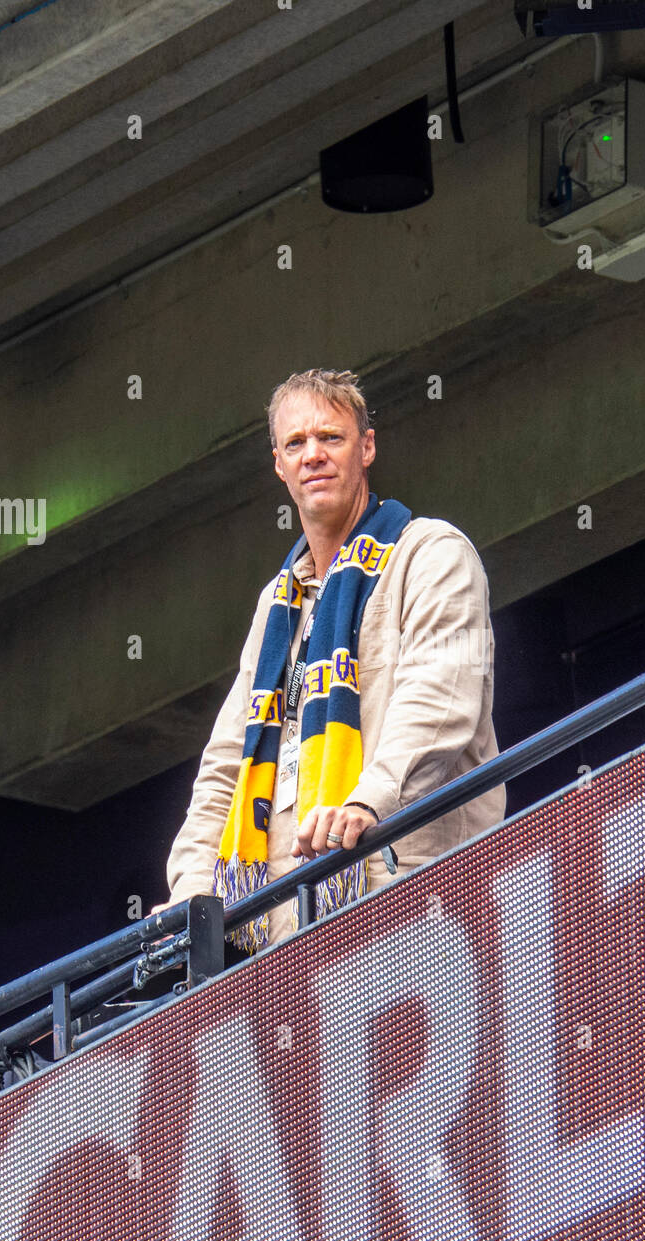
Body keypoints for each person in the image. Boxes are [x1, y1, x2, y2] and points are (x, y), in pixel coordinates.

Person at [157, 368, 504, 951]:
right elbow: (224, 766)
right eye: (296, 444)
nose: (313, 455)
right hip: (282, 930)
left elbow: (442, 696)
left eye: (331, 438)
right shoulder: (278, 606)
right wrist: (195, 896)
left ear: (366, 447)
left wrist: (369, 800)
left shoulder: (431, 553)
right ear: (278, 464)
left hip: (411, 894)